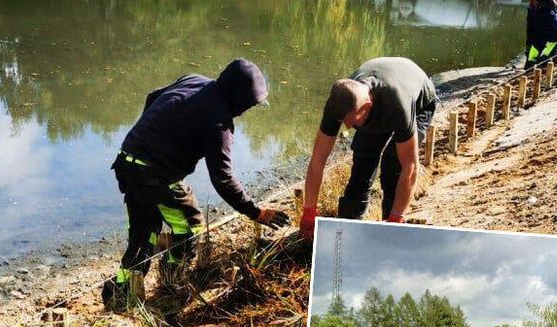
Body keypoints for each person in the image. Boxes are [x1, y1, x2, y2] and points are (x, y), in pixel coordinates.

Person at [101, 59, 290, 311]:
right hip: (154, 175)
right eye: (250, 104)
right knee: (190, 225)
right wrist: (255, 212)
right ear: (240, 99)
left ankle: (119, 290)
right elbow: (222, 178)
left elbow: (152, 97)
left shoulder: (195, 80)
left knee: (144, 232)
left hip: (127, 161)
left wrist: (151, 136)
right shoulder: (219, 122)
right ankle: (172, 278)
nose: (248, 110)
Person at [299, 57, 439, 240]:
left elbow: (410, 168)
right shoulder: (338, 104)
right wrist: (309, 210)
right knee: (363, 161)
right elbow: (318, 160)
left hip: (420, 100)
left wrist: (396, 218)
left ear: (366, 107)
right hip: (378, 104)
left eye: (352, 121)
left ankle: (391, 228)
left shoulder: (398, 106)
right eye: (344, 122)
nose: (347, 127)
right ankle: (349, 227)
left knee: (393, 163)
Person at [525, 0, 557, 71]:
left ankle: (531, 62)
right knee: (556, 38)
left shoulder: (536, 10)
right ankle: (542, 60)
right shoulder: (547, 11)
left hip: (539, 16)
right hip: (544, 15)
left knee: (537, 42)